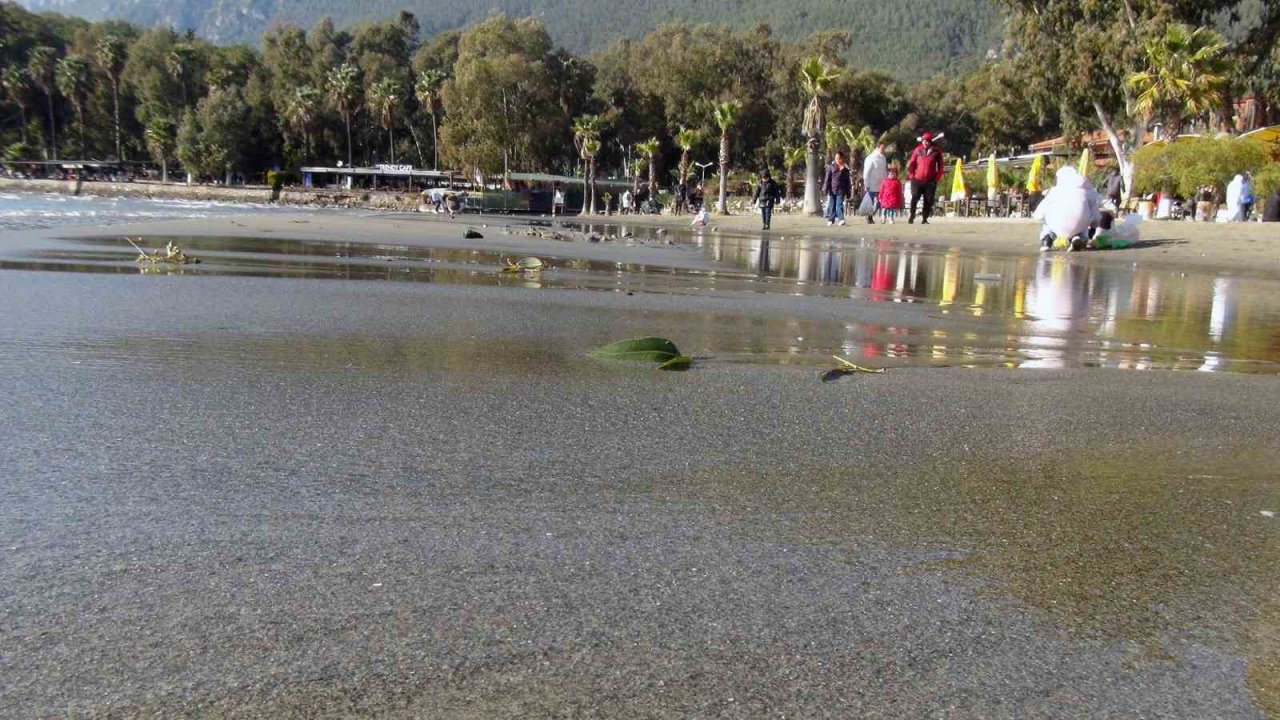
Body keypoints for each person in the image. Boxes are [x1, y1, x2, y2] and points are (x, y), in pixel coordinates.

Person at [1033, 166, 1102, 252]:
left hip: (1058, 222)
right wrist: (1097, 222)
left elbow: (1041, 211)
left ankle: (1047, 240)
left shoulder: (1055, 191)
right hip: (1080, 223)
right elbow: (1095, 209)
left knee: (1048, 223)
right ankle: (1077, 237)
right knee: (1082, 221)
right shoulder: (1086, 190)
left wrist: (1038, 216)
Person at [906, 132, 945, 224]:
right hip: (917, 180)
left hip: (930, 181)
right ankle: (912, 215)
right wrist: (911, 175)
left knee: (928, 200)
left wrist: (937, 177)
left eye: (927, 141)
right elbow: (912, 163)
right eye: (924, 141)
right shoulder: (917, 150)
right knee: (914, 198)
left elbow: (941, 165)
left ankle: (924, 218)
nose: (925, 143)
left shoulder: (936, 152)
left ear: (930, 142)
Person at [821, 151, 852, 226]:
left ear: (842, 159)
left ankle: (841, 219)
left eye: (839, 158)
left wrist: (848, 192)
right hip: (832, 189)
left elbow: (847, 181)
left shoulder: (846, 169)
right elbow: (827, 179)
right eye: (836, 158)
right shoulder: (831, 167)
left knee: (839, 205)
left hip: (841, 190)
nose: (837, 160)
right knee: (832, 205)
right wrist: (825, 189)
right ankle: (831, 220)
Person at [862, 141, 888, 224]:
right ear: (877, 148)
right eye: (882, 148)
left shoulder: (883, 158)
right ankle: (869, 217)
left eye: (884, 148)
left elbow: (884, 171)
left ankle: (870, 215)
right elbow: (866, 172)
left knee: (879, 203)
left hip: (881, 185)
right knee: (871, 202)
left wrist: (886, 182)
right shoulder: (870, 158)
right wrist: (866, 184)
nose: (884, 150)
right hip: (871, 185)